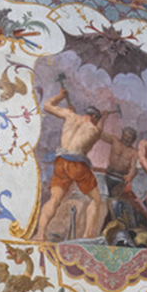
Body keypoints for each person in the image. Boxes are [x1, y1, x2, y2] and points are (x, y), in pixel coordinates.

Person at [30, 87, 116, 242]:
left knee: (54, 200)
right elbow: (98, 130)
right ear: (94, 117)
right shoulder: (94, 130)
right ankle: (88, 233)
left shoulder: (70, 115)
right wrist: (103, 118)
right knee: (96, 200)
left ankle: (40, 234)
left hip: (61, 162)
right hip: (77, 165)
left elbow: (47, 106)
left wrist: (60, 95)